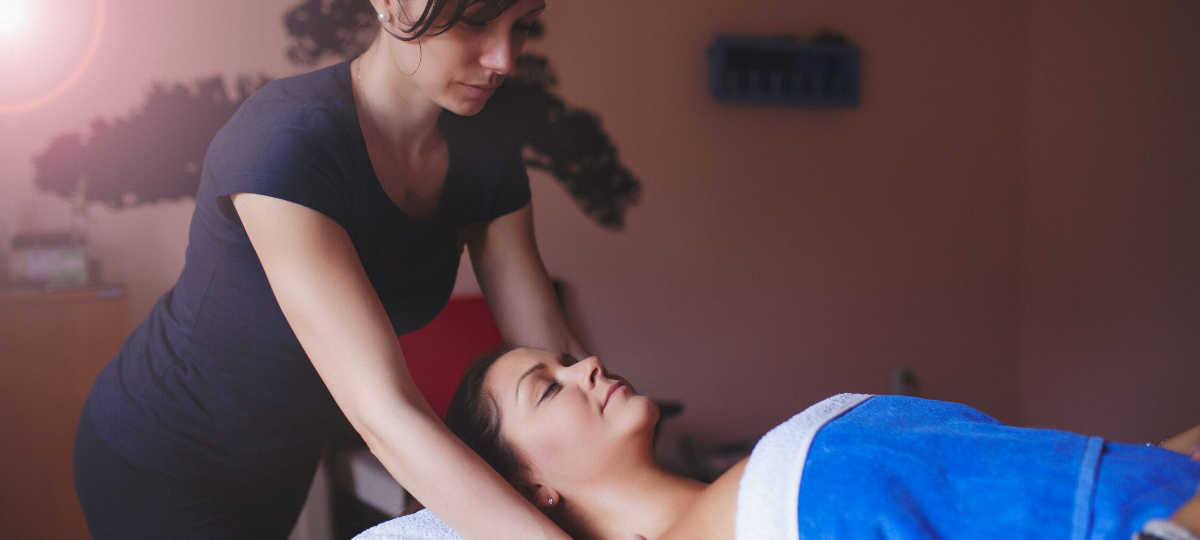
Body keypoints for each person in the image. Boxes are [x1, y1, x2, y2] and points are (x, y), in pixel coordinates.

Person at [71, 1, 594, 539]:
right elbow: (386, 410)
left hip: (283, 461)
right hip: (162, 453)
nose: (505, 58)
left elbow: (552, 344)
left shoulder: (485, 152)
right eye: (476, 19)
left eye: (524, 26)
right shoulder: (287, 139)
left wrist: (643, 485)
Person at [363, 347, 1200, 540]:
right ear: (531, 488)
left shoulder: (767, 476)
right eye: (546, 385)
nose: (585, 361)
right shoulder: (772, 500)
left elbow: (1104, 478)